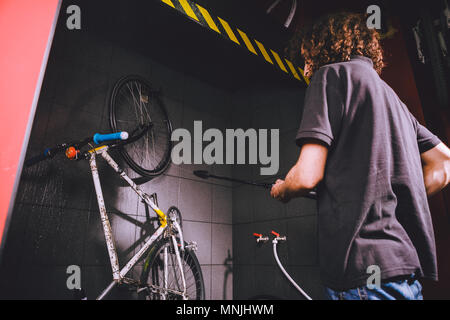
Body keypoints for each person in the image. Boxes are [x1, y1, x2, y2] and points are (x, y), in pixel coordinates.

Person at [270, 12, 450, 300]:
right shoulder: (393, 99)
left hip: (363, 273)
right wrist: (386, 201)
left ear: (324, 47)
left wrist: (282, 189)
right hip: (404, 272)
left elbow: (306, 177)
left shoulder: (330, 75)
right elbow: (444, 162)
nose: (305, 70)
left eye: (307, 58)